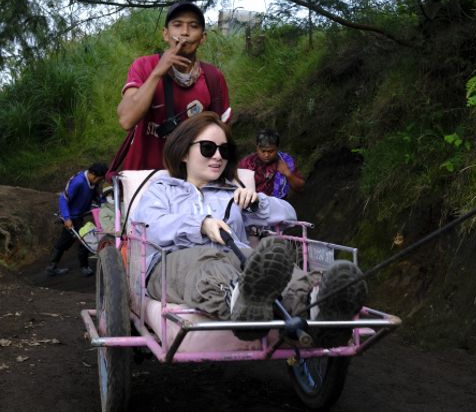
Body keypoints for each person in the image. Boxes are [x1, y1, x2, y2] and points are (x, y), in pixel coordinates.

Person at [132, 112, 367, 344]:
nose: (217, 157)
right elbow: (151, 227)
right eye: (207, 148)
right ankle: (239, 300)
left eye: (224, 150)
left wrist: (257, 202)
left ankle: (316, 304)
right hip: (174, 261)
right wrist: (201, 225)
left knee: (264, 262)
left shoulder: (232, 192)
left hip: (235, 254)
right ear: (184, 152)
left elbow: (288, 215)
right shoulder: (162, 189)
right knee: (209, 264)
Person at [116, 1, 232, 170]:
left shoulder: (213, 77)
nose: (184, 32)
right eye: (177, 25)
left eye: (193, 26)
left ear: (203, 38)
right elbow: (126, 120)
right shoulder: (144, 66)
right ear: (165, 34)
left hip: (191, 180)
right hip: (143, 177)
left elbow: (222, 138)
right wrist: (157, 73)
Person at [46, 162, 108, 277]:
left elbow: (95, 194)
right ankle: (82, 267)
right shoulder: (78, 182)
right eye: (100, 179)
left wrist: (104, 203)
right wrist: (67, 218)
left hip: (80, 215)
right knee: (82, 240)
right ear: (93, 175)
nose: (100, 181)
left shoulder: (92, 182)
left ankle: (52, 266)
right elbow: (63, 199)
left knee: (74, 240)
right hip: (72, 217)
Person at [238, 129, 305, 199]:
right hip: (254, 204)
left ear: (277, 148)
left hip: (279, 203)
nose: (266, 155)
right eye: (263, 151)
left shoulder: (285, 161)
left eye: (271, 151)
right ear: (257, 147)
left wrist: (288, 173)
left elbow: (300, 188)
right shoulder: (247, 164)